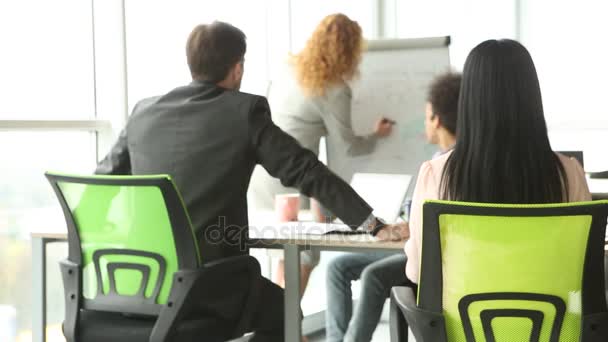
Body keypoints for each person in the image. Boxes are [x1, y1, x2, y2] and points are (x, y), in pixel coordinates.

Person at [95, 21, 402, 342]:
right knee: (287, 313)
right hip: (210, 287)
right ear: (238, 68)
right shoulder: (244, 111)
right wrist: (373, 224)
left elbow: (101, 180)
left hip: (137, 283)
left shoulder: (143, 112)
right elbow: (306, 170)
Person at [405, 39, 591, 285]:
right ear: (532, 96)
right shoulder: (570, 173)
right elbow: (584, 265)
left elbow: (418, 272)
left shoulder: (436, 174)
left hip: (462, 321)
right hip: (554, 321)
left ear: (469, 99)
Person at [248, 13, 394, 295]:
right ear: (349, 50)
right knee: (304, 252)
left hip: (261, 174)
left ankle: (288, 328)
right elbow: (348, 147)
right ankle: (288, 328)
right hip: (292, 177)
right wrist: (376, 135)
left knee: (285, 250)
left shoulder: (288, 70)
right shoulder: (334, 89)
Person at [325, 71, 462, 342]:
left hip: (434, 259)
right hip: (416, 247)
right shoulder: (439, 160)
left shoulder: (446, 167)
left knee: (373, 275)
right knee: (337, 268)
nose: (425, 123)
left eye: (426, 116)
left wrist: (408, 230)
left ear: (436, 120)